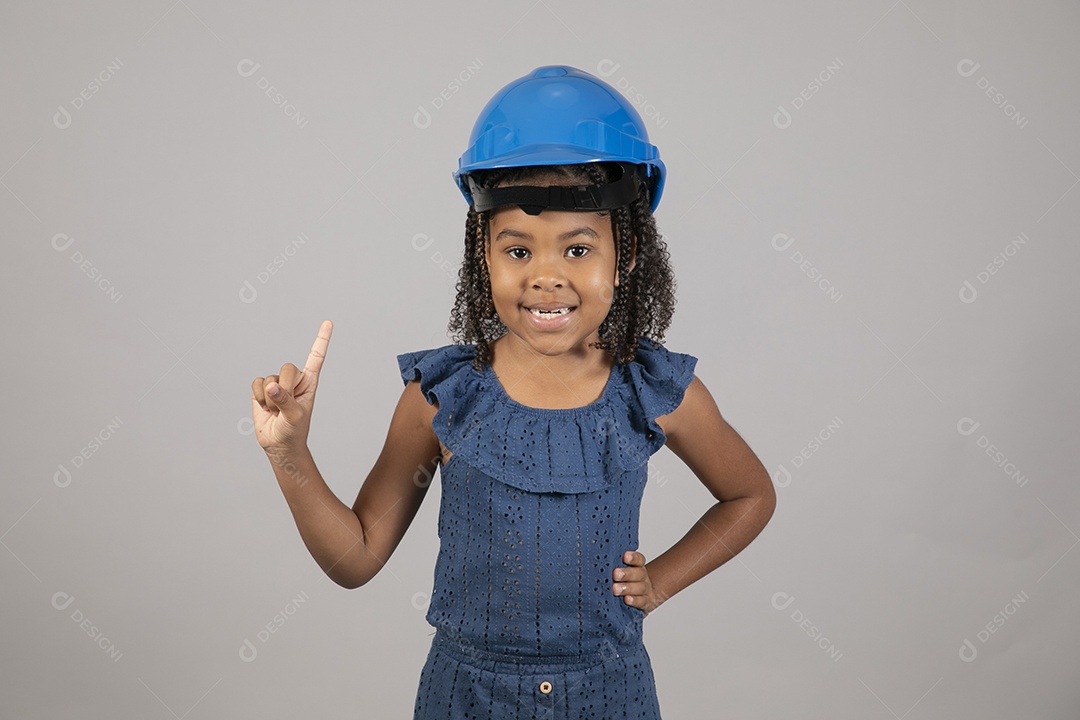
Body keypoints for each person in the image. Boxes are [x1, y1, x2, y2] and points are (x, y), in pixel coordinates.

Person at [250, 65, 776, 719]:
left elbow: (750, 495)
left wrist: (661, 580)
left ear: (628, 249)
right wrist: (289, 453)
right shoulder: (442, 398)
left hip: (608, 695)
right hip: (466, 697)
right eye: (518, 250)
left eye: (578, 250)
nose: (547, 277)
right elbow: (355, 558)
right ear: (483, 252)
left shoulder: (653, 391)